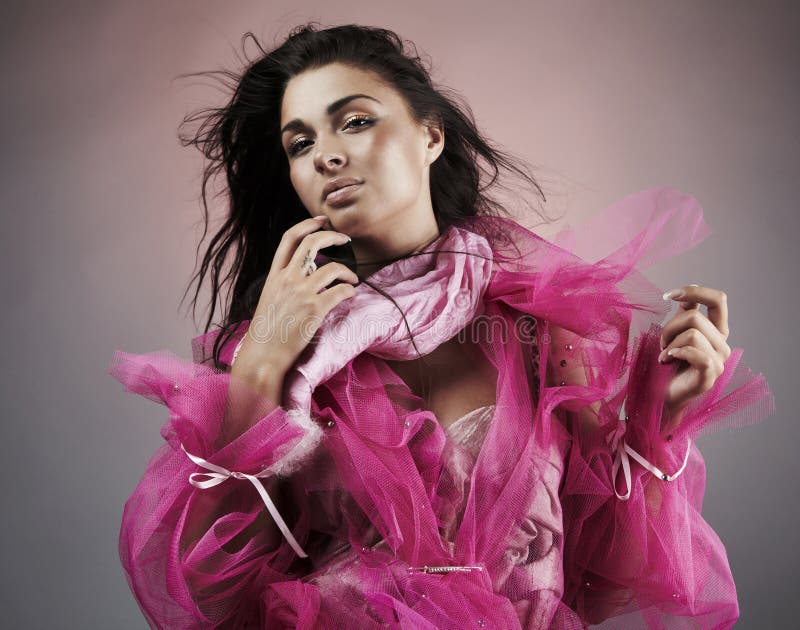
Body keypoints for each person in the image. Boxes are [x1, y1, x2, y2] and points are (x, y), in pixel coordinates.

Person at [109, 23, 775, 629]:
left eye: (355, 122)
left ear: (431, 135)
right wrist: (259, 366)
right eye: (301, 142)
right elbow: (209, 596)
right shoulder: (284, 348)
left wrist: (658, 423)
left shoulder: (545, 326)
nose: (326, 156)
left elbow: (601, 584)